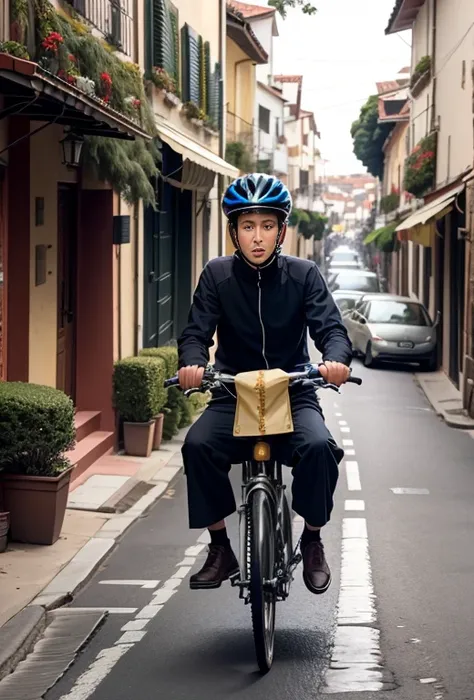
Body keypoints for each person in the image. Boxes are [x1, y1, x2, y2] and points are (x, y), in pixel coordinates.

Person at [178, 173, 352, 595]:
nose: (258, 236)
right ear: (234, 231)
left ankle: (311, 537)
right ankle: (220, 547)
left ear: (282, 230)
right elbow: (195, 333)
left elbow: (331, 329)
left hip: (293, 392)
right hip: (231, 394)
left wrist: (335, 361)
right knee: (197, 446)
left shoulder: (304, 274)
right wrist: (193, 363)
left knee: (317, 448)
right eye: (248, 225)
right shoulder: (216, 275)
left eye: (268, 225)